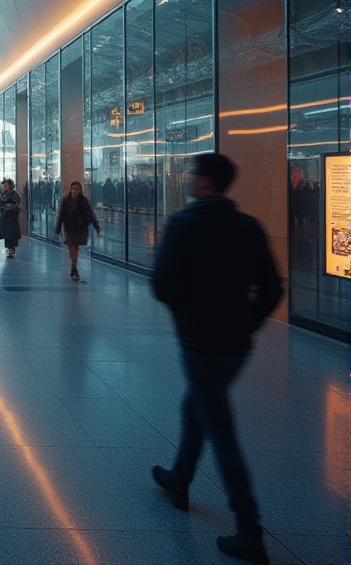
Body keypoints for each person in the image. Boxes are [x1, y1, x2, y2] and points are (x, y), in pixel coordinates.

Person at [150, 153, 282, 565]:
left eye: (192, 175)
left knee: (220, 432)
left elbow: (162, 285)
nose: (188, 180)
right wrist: (245, 323)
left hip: (199, 344)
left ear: (205, 182)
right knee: (197, 410)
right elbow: (273, 289)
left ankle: (249, 529)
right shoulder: (248, 227)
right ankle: (179, 480)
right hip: (235, 347)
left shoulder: (184, 224)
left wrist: (187, 315)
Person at [55, 181, 101, 281]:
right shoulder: (66, 201)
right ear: (71, 190)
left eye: (77, 189)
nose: (76, 191)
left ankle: (74, 265)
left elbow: (90, 213)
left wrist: (96, 226)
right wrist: (58, 227)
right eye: (74, 188)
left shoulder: (84, 201)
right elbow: (61, 215)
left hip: (80, 228)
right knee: (72, 246)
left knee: (76, 246)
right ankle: (74, 267)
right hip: (69, 227)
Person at [0, 179, 23, 257]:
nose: (5, 187)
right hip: (5, 217)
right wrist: (2, 207)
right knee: (7, 234)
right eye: (4, 186)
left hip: (12, 217)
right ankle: (9, 249)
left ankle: (12, 248)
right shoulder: (3, 194)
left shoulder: (16, 195)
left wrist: (12, 206)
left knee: (12, 234)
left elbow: (19, 205)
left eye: (7, 185)